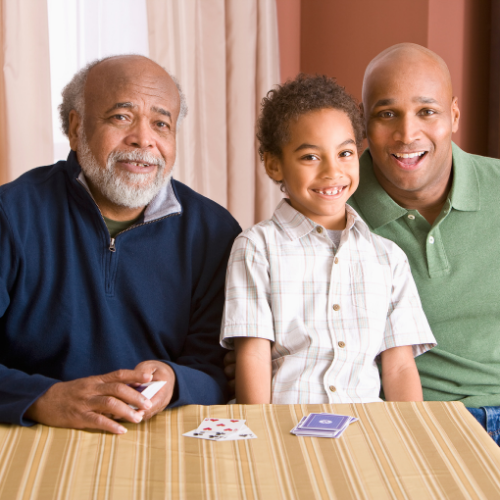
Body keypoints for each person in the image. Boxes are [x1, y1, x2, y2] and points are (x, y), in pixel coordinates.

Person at [0, 55, 241, 434]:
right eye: (121, 117)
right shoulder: (10, 214)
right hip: (31, 432)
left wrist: (176, 380)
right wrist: (45, 397)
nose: (143, 139)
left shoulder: (214, 231)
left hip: (162, 433)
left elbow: (219, 368)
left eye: (161, 123)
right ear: (76, 127)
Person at [220, 74, 436, 404]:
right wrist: (260, 437)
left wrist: (409, 438)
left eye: (345, 153)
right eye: (310, 157)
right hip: (284, 427)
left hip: (364, 429)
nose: (332, 172)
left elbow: (399, 369)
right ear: (274, 164)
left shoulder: (387, 258)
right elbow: (253, 359)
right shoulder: (255, 248)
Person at [346, 43, 500, 443]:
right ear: (363, 122)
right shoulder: (331, 209)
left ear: (453, 115)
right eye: (387, 114)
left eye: (426, 112)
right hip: (412, 425)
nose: (407, 134)